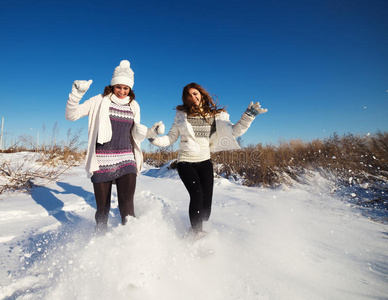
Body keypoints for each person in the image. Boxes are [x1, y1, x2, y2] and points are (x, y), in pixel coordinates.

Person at [149, 82, 268, 234]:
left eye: (195, 93)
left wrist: (248, 116)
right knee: (197, 196)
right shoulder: (181, 116)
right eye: (189, 95)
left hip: (205, 162)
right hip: (186, 162)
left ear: (201, 94)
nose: (193, 97)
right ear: (186, 99)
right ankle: (196, 233)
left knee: (206, 204)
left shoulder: (213, 116)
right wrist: (154, 139)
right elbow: (171, 138)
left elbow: (234, 131)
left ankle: (203, 228)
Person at [65, 60, 164, 233]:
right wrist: (76, 94)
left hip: (127, 159)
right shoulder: (99, 100)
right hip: (102, 160)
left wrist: (151, 132)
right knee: (102, 210)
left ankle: (130, 243)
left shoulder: (134, 105)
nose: (122, 91)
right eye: (118, 87)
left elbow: (136, 134)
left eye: (126, 88)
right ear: (112, 86)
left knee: (127, 206)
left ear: (130, 89)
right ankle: (100, 240)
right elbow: (71, 115)